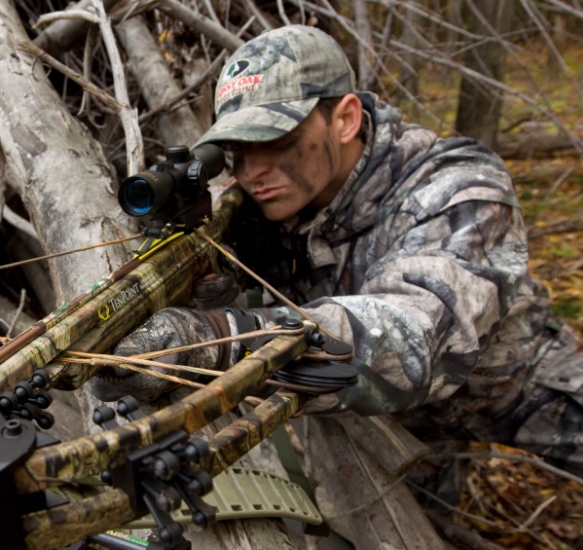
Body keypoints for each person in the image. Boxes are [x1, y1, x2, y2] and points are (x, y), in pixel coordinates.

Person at [89, 24, 583, 478]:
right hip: (394, 424)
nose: (251, 172)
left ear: (345, 118)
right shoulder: (268, 203)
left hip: (516, 389)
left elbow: (412, 342)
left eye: (277, 141)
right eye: (238, 152)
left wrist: (219, 336)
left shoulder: (457, 190)